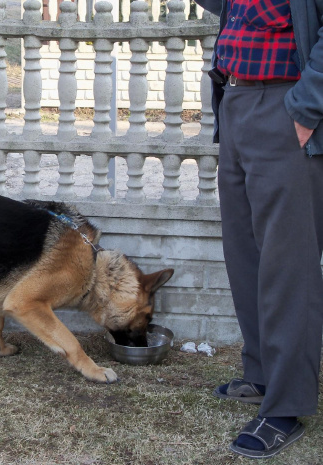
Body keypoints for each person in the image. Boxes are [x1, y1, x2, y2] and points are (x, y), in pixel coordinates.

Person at [193, 0, 323, 458]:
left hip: (286, 103)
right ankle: (263, 376)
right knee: (244, 253)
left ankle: (287, 406)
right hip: (236, 97)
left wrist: (307, 109)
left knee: (290, 266)